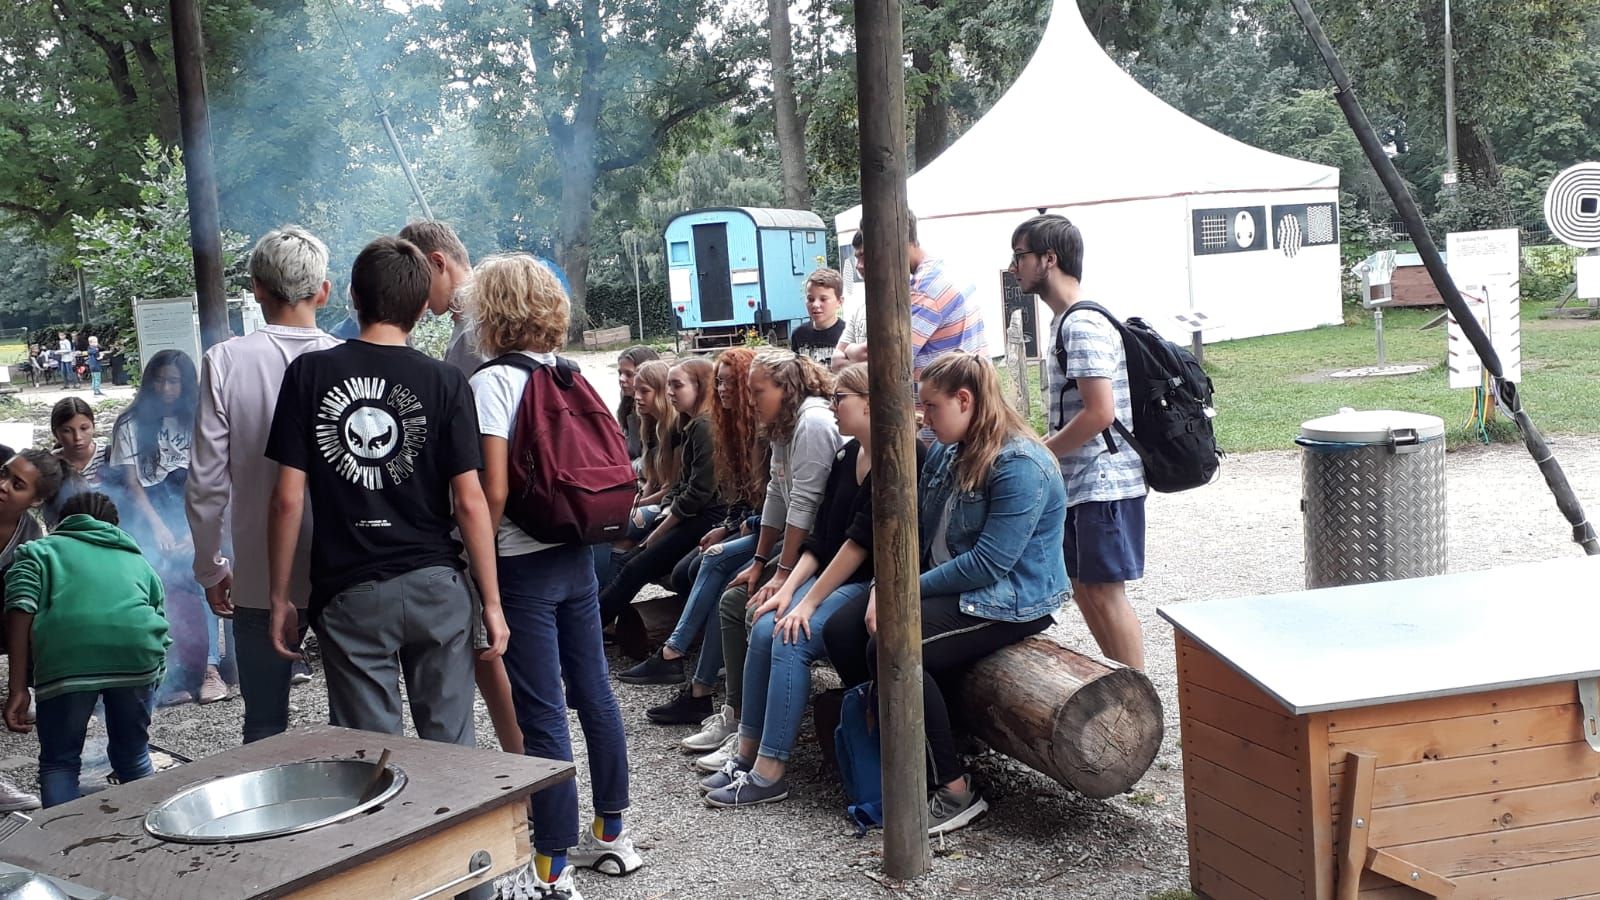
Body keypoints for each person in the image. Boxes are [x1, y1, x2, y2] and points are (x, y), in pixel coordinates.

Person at [264, 236, 509, 751]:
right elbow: (470, 501)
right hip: (437, 587)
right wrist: (491, 601)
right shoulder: (445, 381)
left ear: (353, 295)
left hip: (350, 592)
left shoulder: (309, 374)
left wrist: (281, 596)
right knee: (452, 755)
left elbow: (287, 500)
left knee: (376, 758)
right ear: (422, 307)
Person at [465, 253, 638, 899]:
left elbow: (493, 490)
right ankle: (613, 833)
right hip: (577, 553)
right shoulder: (571, 373)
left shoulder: (493, 383)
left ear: (493, 310)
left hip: (522, 563)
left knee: (541, 712)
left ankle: (551, 869)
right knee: (595, 692)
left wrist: (477, 570)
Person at [864, 351, 1067, 835]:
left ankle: (955, 790)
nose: (924, 418)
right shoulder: (947, 450)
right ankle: (896, 753)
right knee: (844, 626)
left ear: (964, 400)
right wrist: (880, 584)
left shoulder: (1021, 464)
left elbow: (989, 564)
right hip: (955, 585)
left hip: (1010, 599)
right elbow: (915, 530)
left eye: (931, 407)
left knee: (895, 647)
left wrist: (899, 592)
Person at [703, 364, 922, 807]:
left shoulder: (901, 454)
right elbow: (822, 537)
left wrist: (807, 603)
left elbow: (860, 544)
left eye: (840, 397)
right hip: (834, 573)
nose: (832, 405)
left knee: (791, 637)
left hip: (872, 582)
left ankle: (771, 771)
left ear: (870, 403)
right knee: (764, 623)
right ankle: (746, 751)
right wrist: (786, 589)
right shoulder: (847, 455)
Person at [185, 226, 341, 744]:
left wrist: (210, 566)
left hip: (257, 568)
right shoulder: (347, 358)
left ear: (256, 289)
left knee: (265, 722)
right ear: (324, 291)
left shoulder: (225, 361)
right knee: (356, 716)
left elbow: (207, 482)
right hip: (345, 565)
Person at [396, 220, 524, 762]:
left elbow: (476, 452)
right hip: (514, 515)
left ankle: (523, 766)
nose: (412, 293)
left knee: (490, 650)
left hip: (494, 519)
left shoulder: (473, 334)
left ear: (437, 262)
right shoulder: (483, 323)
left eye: (414, 274)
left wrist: (474, 541)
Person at [1010, 214, 1146, 669]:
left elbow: (1100, 412)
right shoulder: (1063, 321)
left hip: (1103, 482)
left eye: (1020, 256)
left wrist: (1043, 451)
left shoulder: (1081, 324)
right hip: (1081, 483)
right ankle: (1122, 687)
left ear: (1049, 259)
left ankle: (1139, 693)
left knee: (1105, 592)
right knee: (1083, 586)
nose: (1014, 267)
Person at [692, 351, 838, 773]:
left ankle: (750, 733)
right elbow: (777, 492)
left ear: (785, 389)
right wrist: (760, 562)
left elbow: (805, 507)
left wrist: (782, 574)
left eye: (758, 391)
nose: (750, 399)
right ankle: (738, 717)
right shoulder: (782, 423)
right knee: (735, 597)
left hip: (823, 551)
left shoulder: (812, 422)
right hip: (805, 549)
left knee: (752, 610)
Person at [617, 348, 766, 723]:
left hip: (760, 532)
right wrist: (730, 524)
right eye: (719, 381)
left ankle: (681, 665)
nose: (723, 388)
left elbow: (777, 503)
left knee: (709, 571)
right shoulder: (716, 425)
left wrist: (738, 527)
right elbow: (736, 494)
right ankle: (691, 676)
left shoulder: (737, 428)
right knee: (684, 567)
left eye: (731, 382)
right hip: (738, 524)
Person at [3, 491, 169, 808]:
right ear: (113, 528)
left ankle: (61, 839)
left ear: (61, 522)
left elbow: (20, 608)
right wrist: (153, 680)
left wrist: (18, 688)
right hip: (137, 657)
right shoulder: (137, 560)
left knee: (60, 762)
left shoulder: (38, 551)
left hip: (67, 660)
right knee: (134, 755)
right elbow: (159, 620)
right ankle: (150, 826)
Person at [108, 350, 228, 706]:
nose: (165, 388)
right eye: (159, 380)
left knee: (204, 580)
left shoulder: (200, 419)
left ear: (186, 384)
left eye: (174, 381)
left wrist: (195, 531)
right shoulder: (130, 423)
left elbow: (214, 478)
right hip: (151, 512)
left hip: (194, 511)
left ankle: (209, 668)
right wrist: (159, 528)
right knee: (160, 589)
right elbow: (132, 485)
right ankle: (171, 671)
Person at [596, 357, 724, 645]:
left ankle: (586, 633)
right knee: (628, 560)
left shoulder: (704, 426)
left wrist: (658, 531)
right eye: (668, 386)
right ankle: (594, 625)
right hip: (690, 514)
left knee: (635, 565)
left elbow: (697, 494)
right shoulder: (690, 423)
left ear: (700, 387)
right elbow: (680, 486)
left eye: (677, 386)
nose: (670, 393)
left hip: (708, 518)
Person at [0, 449, 69, 811]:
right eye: (3, 474)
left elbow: (23, 609)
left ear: (36, 500)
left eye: (17, 484)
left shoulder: (30, 534)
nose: (2, 486)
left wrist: (19, 687)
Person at [614, 345, 661, 470]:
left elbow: (655, 462)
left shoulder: (658, 411)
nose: (621, 379)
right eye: (620, 373)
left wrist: (624, 468)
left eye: (629, 374)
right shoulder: (627, 402)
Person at [789, 268, 847, 366]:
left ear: (839, 302)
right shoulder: (798, 334)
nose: (815, 305)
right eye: (811, 299)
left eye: (823, 299)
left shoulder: (848, 334)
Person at [50, 397, 106, 488]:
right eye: (67, 431)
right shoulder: (49, 465)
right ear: (55, 433)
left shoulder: (110, 457)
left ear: (93, 426)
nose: (77, 437)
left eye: (84, 428)